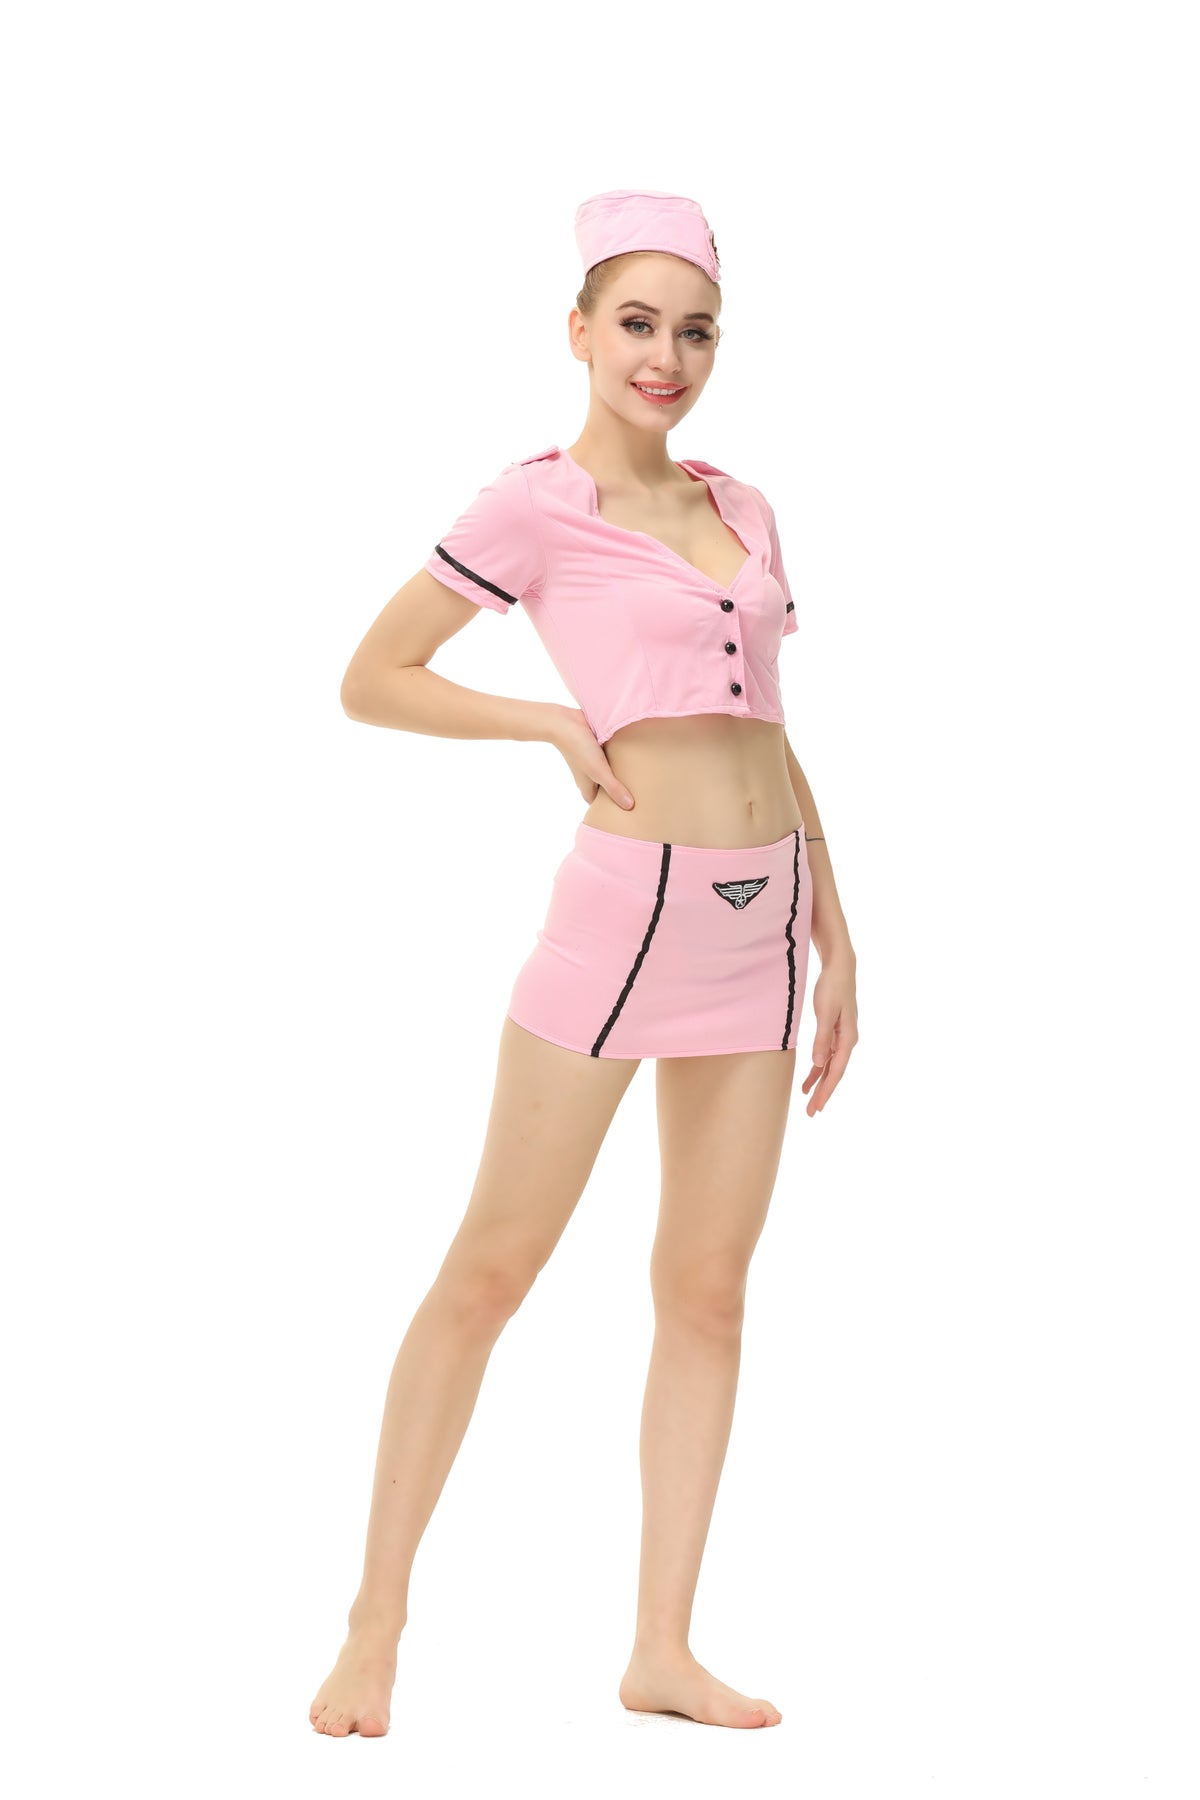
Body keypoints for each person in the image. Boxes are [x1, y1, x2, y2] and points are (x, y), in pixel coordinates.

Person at [309, 188, 859, 1737]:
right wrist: (549, 722)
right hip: (626, 917)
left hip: (765, 918)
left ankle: (661, 1651)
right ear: (578, 331)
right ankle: (372, 1627)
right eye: (636, 324)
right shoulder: (533, 507)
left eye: (695, 330)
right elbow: (372, 676)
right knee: (492, 1269)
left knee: (709, 1292)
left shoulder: (748, 508)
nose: (665, 355)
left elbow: (767, 730)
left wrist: (839, 927)